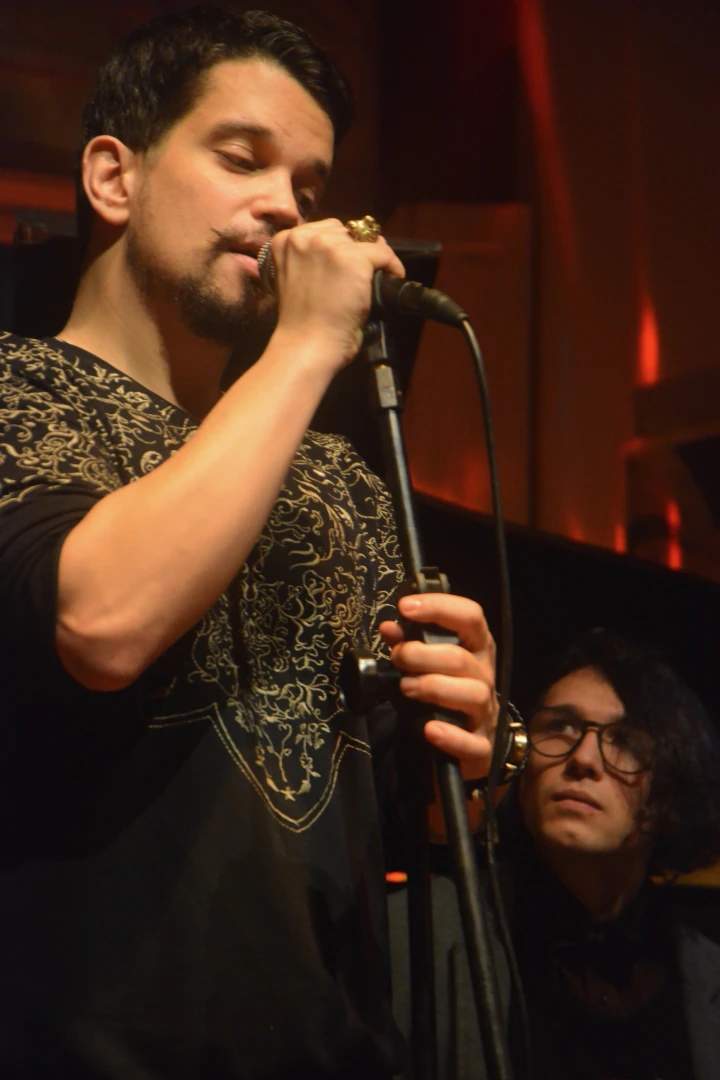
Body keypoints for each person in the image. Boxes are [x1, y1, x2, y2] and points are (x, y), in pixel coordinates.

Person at [0, 7, 496, 1078]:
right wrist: (309, 342)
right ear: (113, 178)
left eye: (310, 188)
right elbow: (100, 622)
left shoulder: (340, 481)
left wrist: (478, 741)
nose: (286, 207)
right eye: (242, 159)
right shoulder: (18, 392)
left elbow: (407, 810)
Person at [390, 630, 720, 1080]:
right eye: (560, 727)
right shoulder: (412, 932)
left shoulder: (706, 973)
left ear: (672, 786)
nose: (583, 758)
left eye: (625, 740)